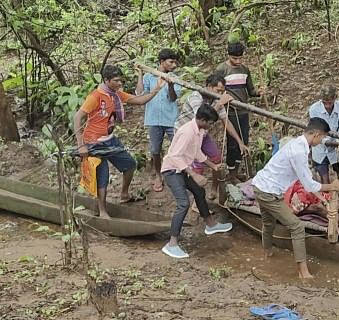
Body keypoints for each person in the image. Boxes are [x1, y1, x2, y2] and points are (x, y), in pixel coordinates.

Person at [251, 118, 339, 279]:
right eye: (321, 138)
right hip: (268, 191)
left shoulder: (298, 145)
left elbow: (306, 182)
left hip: (261, 185)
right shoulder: (299, 151)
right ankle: (303, 272)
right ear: (316, 134)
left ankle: (267, 254)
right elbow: (309, 184)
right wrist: (332, 187)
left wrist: (323, 199)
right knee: (297, 227)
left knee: (268, 223)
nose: (321, 141)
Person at [74, 64, 165, 219]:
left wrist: (156, 89)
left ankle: (124, 194)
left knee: (129, 164)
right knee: (102, 176)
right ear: (106, 80)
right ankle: (102, 211)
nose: (120, 83)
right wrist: (81, 144)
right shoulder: (95, 96)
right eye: (116, 81)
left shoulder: (116, 94)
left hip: (110, 140)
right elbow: (77, 117)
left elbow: (140, 100)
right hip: (94, 143)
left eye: (120, 80)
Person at [161, 104, 233, 259]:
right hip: (172, 170)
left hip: (183, 169)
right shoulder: (187, 132)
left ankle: (211, 225)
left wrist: (213, 166)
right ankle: (171, 243)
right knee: (183, 203)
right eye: (210, 123)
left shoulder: (199, 132)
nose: (211, 126)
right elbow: (175, 156)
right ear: (202, 119)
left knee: (199, 191)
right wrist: (193, 174)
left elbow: (196, 152)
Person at [176, 73, 249, 199]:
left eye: (222, 91)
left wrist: (240, 142)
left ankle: (214, 188)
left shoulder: (215, 99)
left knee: (217, 158)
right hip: (188, 135)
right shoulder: (196, 97)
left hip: (202, 134)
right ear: (209, 86)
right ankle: (196, 200)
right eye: (218, 90)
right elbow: (203, 117)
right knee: (197, 164)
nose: (220, 93)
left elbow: (226, 121)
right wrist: (220, 103)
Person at [135, 48, 182, 193]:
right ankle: (158, 175)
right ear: (162, 62)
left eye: (175, 62)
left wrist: (170, 84)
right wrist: (140, 75)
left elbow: (173, 98)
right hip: (154, 118)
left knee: (177, 146)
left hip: (170, 118)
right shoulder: (149, 76)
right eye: (171, 61)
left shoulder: (175, 78)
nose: (174, 65)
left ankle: (178, 174)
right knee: (155, 149)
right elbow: (139, 93)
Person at [215, 42, 262, 183]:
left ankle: (235, 171)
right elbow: (216, 89)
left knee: (244, 141)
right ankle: (231, 173)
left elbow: (251, 90)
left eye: (240, 58)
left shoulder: (245, 70)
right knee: (233, 143)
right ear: (228, 55)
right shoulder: (222, 69)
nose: (238, 61)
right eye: (234, 59)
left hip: (243, 111)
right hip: (229, 112)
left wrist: (258, 93)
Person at [308, 84, 339, 184]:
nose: (327, 106)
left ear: (335, 98)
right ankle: (327, 199)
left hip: (337, 150)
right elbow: (317, 131)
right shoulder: (314, 109)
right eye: (325, 103)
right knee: (324, 180)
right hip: (320, 149)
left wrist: (338, 142)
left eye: (330, 103)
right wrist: (327, 141)